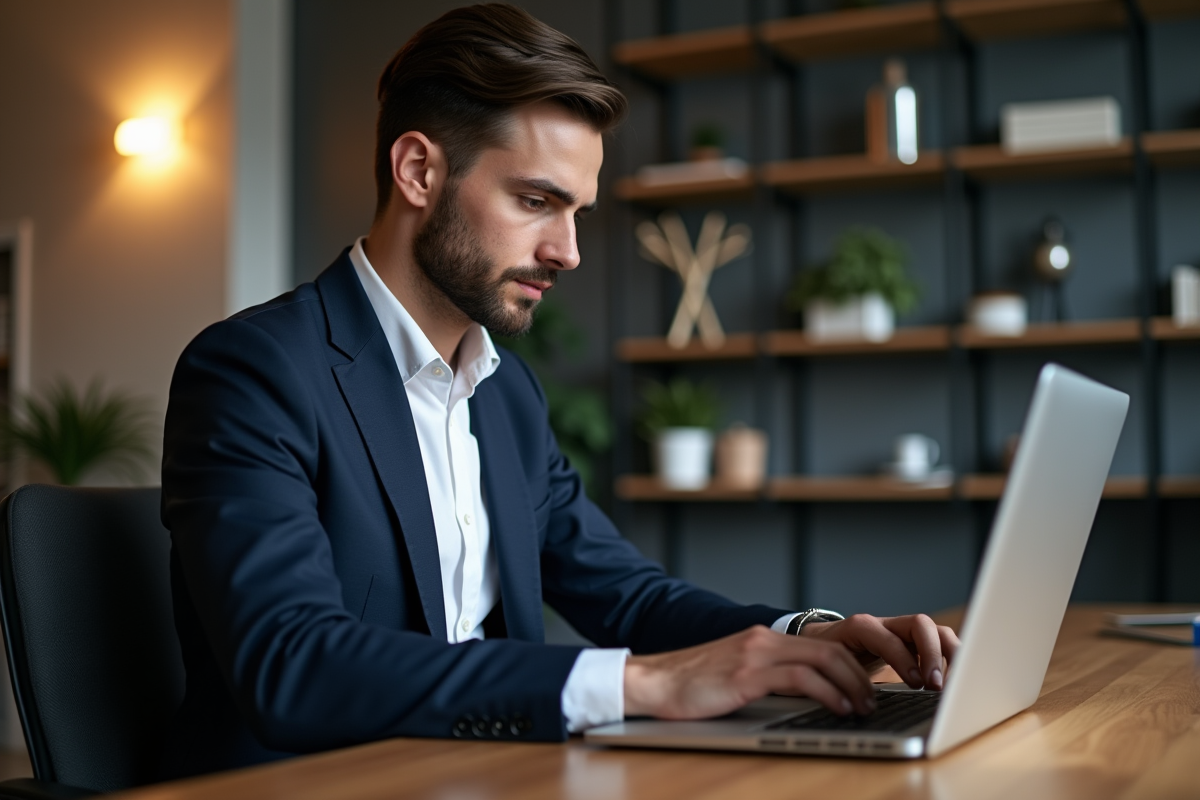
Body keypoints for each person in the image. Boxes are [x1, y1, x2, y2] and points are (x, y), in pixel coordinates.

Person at [159, 3, 959, 779]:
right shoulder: (254, 371)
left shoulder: (507, 398)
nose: (568, 251)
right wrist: (641, 685)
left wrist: (809, 634)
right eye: (536, 201)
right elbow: (291, 661)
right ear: (417, 171)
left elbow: (629, 599)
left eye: (576, 211)